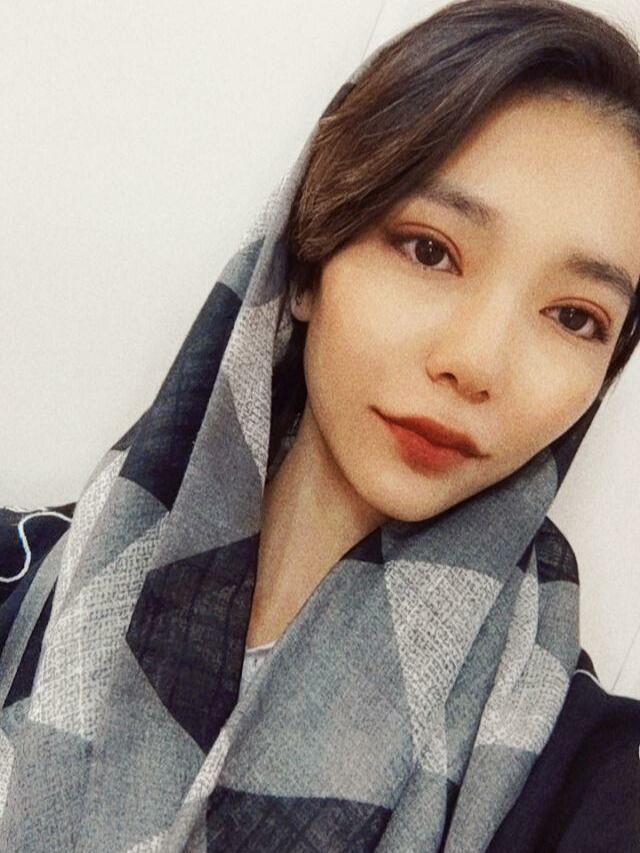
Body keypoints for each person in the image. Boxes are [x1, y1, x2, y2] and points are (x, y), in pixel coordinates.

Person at [0, 0, 639, 849]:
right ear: (307, 265)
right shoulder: (16, 587)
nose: (477, 362)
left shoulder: (591, 773)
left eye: (574, 316)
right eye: (429, 249)